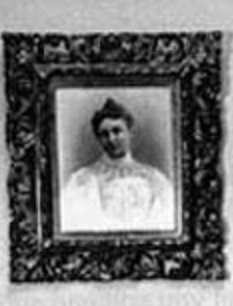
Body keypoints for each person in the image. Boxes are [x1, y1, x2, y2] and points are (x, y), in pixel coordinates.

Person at [60, 98, 175, 233]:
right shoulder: (81, 180)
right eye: (104, 134)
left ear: (129, 133)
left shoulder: (155, 179)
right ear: (98, 139)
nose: (111, 139)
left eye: (117, 131)